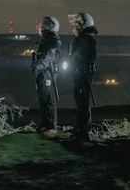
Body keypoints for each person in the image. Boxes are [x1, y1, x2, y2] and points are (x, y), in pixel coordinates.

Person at [68, 12, 98, 142]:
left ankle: (84, 132)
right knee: (81, 103)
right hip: (79, 74)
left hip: (83, 75)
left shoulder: (87, 39)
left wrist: (75, 56)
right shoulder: (83, 38)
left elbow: (89, 57)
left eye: (78, 24)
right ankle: (82, 129)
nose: (76, 26)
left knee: (83, 104)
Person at [31, 16, 62, 137]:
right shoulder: (47, 39)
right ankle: (45, 125)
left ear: (48, 27)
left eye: (42, 25)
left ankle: (50, 127)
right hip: (43, 73)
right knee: (43, 99)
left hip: (48, 73)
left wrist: (36, 67)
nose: (40, 27)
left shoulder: (53, 40)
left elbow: (46, 58)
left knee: (49, 100)